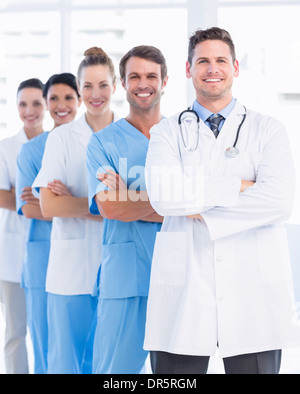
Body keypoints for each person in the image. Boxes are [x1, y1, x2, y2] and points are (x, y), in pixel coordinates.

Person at [144, 27, 300, 374]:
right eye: (202, 61)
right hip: (184, 297)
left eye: (220, 60)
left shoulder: (268, 129)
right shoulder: (166, 131)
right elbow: (164, 197)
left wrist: (200, 207)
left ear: (235, 67)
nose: (211, 68)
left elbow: (278, 200)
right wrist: (238, 185)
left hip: (253, 299)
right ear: (188, 70)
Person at [32, 48, 117, 374]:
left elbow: (142, 205)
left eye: (103, 85)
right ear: (79, 90)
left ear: (115, 86)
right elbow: (49, 204)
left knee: (110, 368)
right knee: (64, 365)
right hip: (69, 272)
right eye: (88, 86)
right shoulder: (62, 138)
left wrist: (77, 204)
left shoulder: (128, 136)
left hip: (116, 270)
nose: (96, 94)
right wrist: (106, 205)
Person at [86, 45, 168, 374]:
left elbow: (201, 206)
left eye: (151, 76)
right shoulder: (102, 142)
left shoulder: (182, 138)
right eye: (134, 76)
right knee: (115, 377)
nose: (143, 83)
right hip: (124, 281)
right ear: (122, 82)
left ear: (165, 81)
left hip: (178, 276)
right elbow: (111, 208)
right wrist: (172, 202)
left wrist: (131, 196)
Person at [15, 73, 81, 374]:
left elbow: (110, 204)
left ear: (80, 100)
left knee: (84, 346)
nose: (61, 105)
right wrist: (65, 203)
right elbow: (29, 208)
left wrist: (56, 203)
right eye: (53, 98)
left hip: (85, 254)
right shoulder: (31, 151)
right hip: (42, 259)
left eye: (69, 97)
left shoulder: (93, 142)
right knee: (45, 347)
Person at [0, 78, 46, 374]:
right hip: (12, 252)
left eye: (36, 103)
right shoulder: (5, 148)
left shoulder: (56, 142)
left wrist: (37, 198)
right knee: (16, 331)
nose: (29, 111)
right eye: (23, 104)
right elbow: (2, 196)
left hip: (49, 249)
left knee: (46, 331)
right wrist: (39, 199)